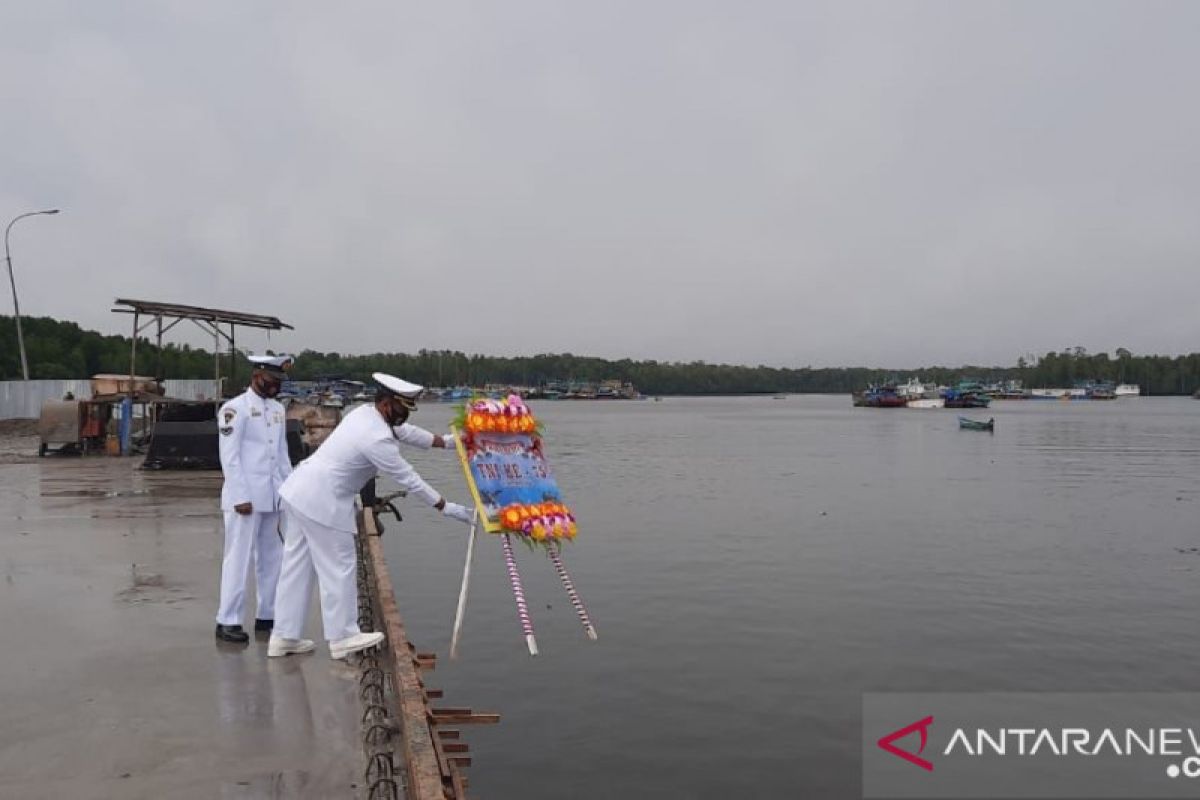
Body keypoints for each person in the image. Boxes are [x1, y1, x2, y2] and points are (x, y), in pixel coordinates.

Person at [268, 373, 474, 660]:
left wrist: (450, 442)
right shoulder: (376, 438)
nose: (405, 415)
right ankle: (343, 636)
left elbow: (407, 433)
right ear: (388, 404)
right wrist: (446, 507)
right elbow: (410, 479)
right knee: (339, 565)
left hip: (300, 491)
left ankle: (283, 637)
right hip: (322, 501)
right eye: (403, 408)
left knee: (296, 566)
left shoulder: (364, 413)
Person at [214, 354, 295, 644]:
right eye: (272, 381)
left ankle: (267, 614)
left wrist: (290, 492)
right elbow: (230, 457)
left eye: (278, 382)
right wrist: (239, 495)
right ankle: (228, 620)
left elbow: (282, 455)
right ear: (257, 375)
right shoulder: (234, 409)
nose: (275, 387)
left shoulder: (277, 410)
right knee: (238, 558)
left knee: (272, 558)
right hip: (244, 499)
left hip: (272, 497)